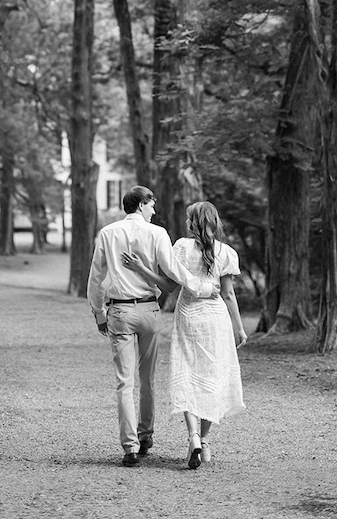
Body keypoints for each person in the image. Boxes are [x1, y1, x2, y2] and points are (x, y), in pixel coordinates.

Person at [87, 185, 220, 467]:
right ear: (141, 204)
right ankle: (145, 435)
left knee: (124, 382)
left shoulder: (108, 233)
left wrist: (98, 313)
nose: (154, 210)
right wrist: (203, 288)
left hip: (119, 310)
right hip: (148, 309)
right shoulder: (157, 233)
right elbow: (174, 272)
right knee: (146, 379)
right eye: (152, 205)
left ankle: (130, 448)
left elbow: (96, 276)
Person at [122, 199, 247, 469]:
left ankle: (192, 437)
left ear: (195, 222)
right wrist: (239, 327)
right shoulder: (226, 252)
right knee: (212, 378)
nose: (187, 222)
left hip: (189, 316)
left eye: (190, 218)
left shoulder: (181, 247)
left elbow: (168, 286)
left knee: (189, 375)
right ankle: (205, 439)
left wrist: (141, 269)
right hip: (215, 320)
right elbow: (227, 294)